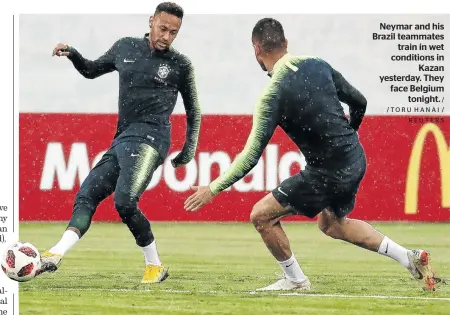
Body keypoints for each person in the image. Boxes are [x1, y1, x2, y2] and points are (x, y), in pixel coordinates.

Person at [184, 18, 440, 291]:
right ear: (286, 43)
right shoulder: (317, 64)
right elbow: (360, 102)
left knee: (261, 216)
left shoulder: (272, 94)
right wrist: (348, 135)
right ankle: (409, 257)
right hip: (354, 159)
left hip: (327, 171)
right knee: (332, 224)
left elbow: (250, 156)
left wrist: (213, 188)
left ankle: (295, 280)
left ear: (256, 49)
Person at [40, 2, 201, 284]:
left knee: (125, 201)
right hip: (123, 139)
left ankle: (153, 265)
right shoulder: (124, 47)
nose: (166, 36)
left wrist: (187, 151)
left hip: (152, 139)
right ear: (151, 21)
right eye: (163, 28)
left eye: (173, 33)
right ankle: (55, 253)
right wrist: (74, 54)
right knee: (86, 195)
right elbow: (90, 70)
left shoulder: (181, 64)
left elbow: (193, 111)